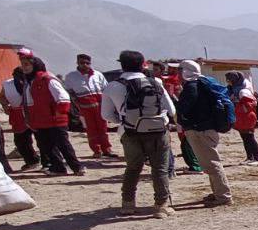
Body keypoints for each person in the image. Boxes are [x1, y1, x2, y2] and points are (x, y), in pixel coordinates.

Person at [102, 50, 175, 217]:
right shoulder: (156, 82)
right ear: (143, 64)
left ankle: (128, 204)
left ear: (122, 65)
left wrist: (123, 120)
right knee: (160, 168)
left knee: (133, 168)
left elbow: (106, 115)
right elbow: (171, 109)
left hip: (130, 132)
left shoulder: (112, 86)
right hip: (158, 131)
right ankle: (161, 205)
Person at [176, 60, 235, 206]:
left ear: (185, 72)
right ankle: (218, 192)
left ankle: (223, 196)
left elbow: (183, 109)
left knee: (212, 163)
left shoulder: (191, 87)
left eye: (179, 70)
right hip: (207, 128)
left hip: (199, 130)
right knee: (209, 163)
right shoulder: (202, 84)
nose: (177, 74)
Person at [22, 56, 85, 176]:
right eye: (23, 64)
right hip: (40, 120)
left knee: (63, 144)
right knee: (47, 146)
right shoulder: (29, 82)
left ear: (35, 65)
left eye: (26, 64)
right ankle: (58, 167)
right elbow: (29, 103)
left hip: (55, 119)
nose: (24, 67)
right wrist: (30, 119)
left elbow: (63, 97)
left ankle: (77, 167)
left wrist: (58, 113)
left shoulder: (47, 79)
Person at [63, 54, 114, 158]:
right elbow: (69, 92)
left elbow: (105, 89)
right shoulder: (71, 77)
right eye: (82, 63)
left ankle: (107, 149)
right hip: (84, 108)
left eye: (87, 63)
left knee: (103, 128)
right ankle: (96, 150)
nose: (85, 65)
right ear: (77, 63)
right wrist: (77, 105)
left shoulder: (97, 74)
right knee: (91, 129)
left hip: (100, 106)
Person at [1, 67, 42, 170]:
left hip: (34, 112)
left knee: (41, 138)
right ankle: (32, 161)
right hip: (17, 114)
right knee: (21, 141)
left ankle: (48, 161)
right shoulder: (8, 84)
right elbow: (2, 97)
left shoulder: (34, 81)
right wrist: (5, 106)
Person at [225, 71, 258, 165]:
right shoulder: (233, 89)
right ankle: (250, 157)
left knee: (249, 137)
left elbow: (249, 106)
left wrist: (236, 103)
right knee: (244, 137)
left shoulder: (243, 91)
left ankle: (257, 159)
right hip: (241, 116)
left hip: (247, 116)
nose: (228, 82)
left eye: (229, 80)